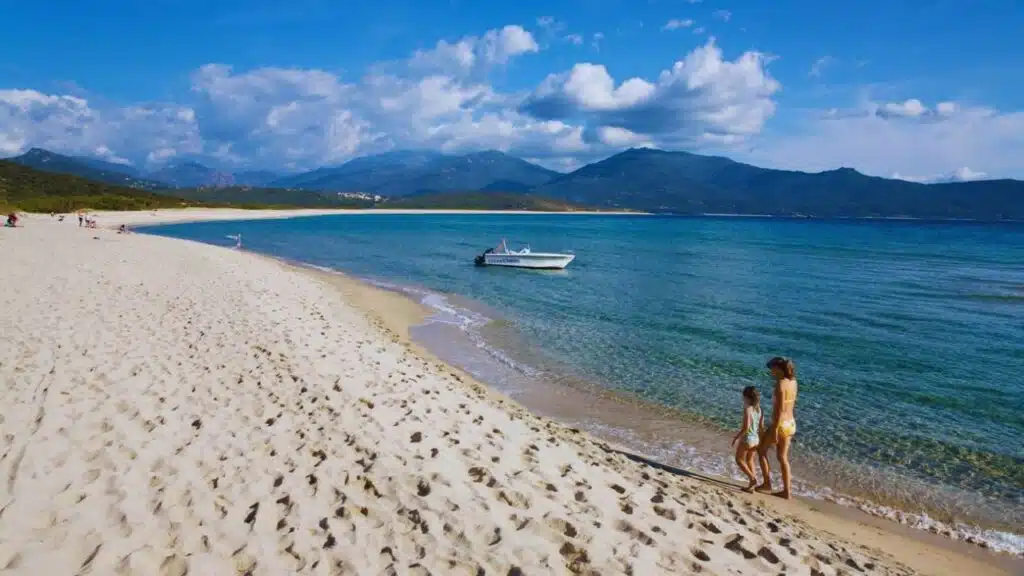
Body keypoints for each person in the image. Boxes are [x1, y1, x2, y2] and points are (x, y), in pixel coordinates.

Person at [756, 356, 798, 499]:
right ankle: (787, 491)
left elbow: (779, 410)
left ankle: (767, 484)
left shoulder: (780, 384)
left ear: (779, 369)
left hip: (780, 425)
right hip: (791, 423)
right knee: (783, 458)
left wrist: (774, 429)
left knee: (761, 451)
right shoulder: (793, 382)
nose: (771, 371)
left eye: (772, 368)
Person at [732, 385, 763, 492]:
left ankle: (753, 479)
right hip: (756, 439)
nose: (742, 398)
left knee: (739, 460)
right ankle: (752, 485)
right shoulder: (759, 409)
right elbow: (761, 426)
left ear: (747, 397)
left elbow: (746, 427)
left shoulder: (747, 409)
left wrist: (737, 437)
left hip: (748, 438)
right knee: (750, 460)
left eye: (743, 396)